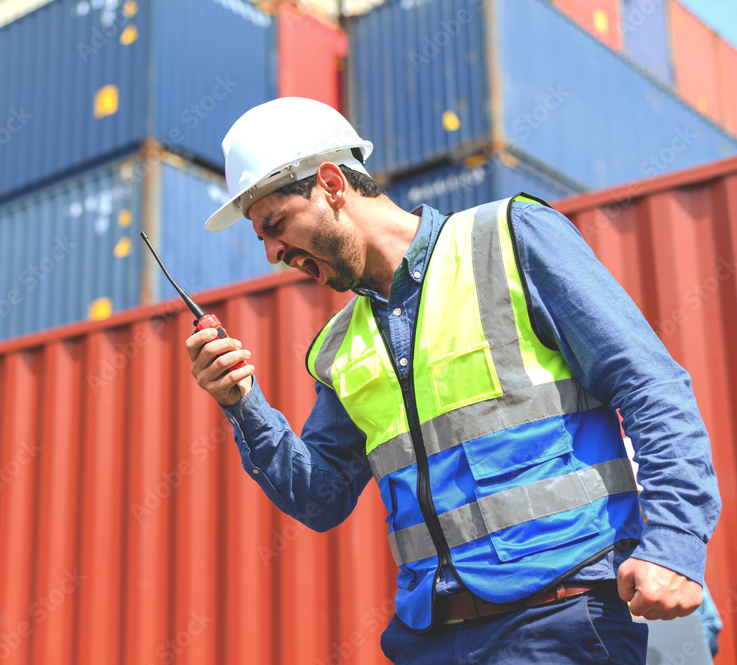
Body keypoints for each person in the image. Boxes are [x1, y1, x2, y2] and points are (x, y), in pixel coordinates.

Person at [185, 97, 720, 664]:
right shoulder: (340, 346)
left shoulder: (510, 240)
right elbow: (321, 499)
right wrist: (243, 403)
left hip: (556, 621)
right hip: (429, 641)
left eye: (275, 225)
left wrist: (675, 544)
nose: (271, 253)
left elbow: (652, 388)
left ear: (331, 183)